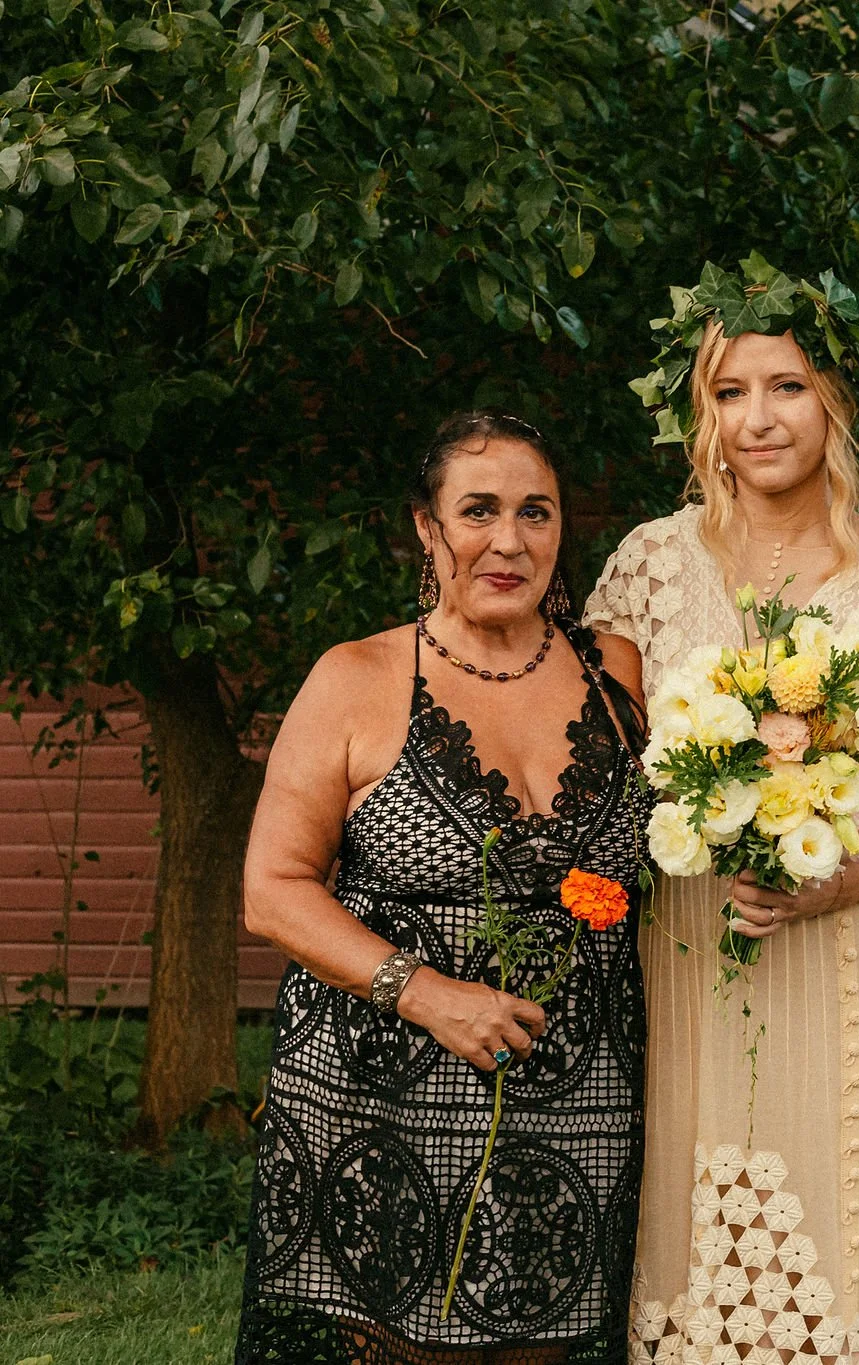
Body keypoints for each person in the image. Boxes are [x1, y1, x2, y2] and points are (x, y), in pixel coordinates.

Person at [586, 260, 859, 1365]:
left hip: (846, 961)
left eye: (787, 386)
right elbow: (600, 771)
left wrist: (836, 882)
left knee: (839, 1284)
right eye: (729, 392)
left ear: (835, 403)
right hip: (685, 955)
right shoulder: (647, 564)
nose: (757, 418)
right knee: (694, 1283)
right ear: (703, 414)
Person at [237, 410, 655, 1364]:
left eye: (536, 512)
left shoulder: (617, 673)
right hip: (387, 1096)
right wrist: (427, 993)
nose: (509, 540)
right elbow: (272, 887)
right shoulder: (357, 677)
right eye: (478, 511)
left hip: (583, 1098)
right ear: (427, 529)